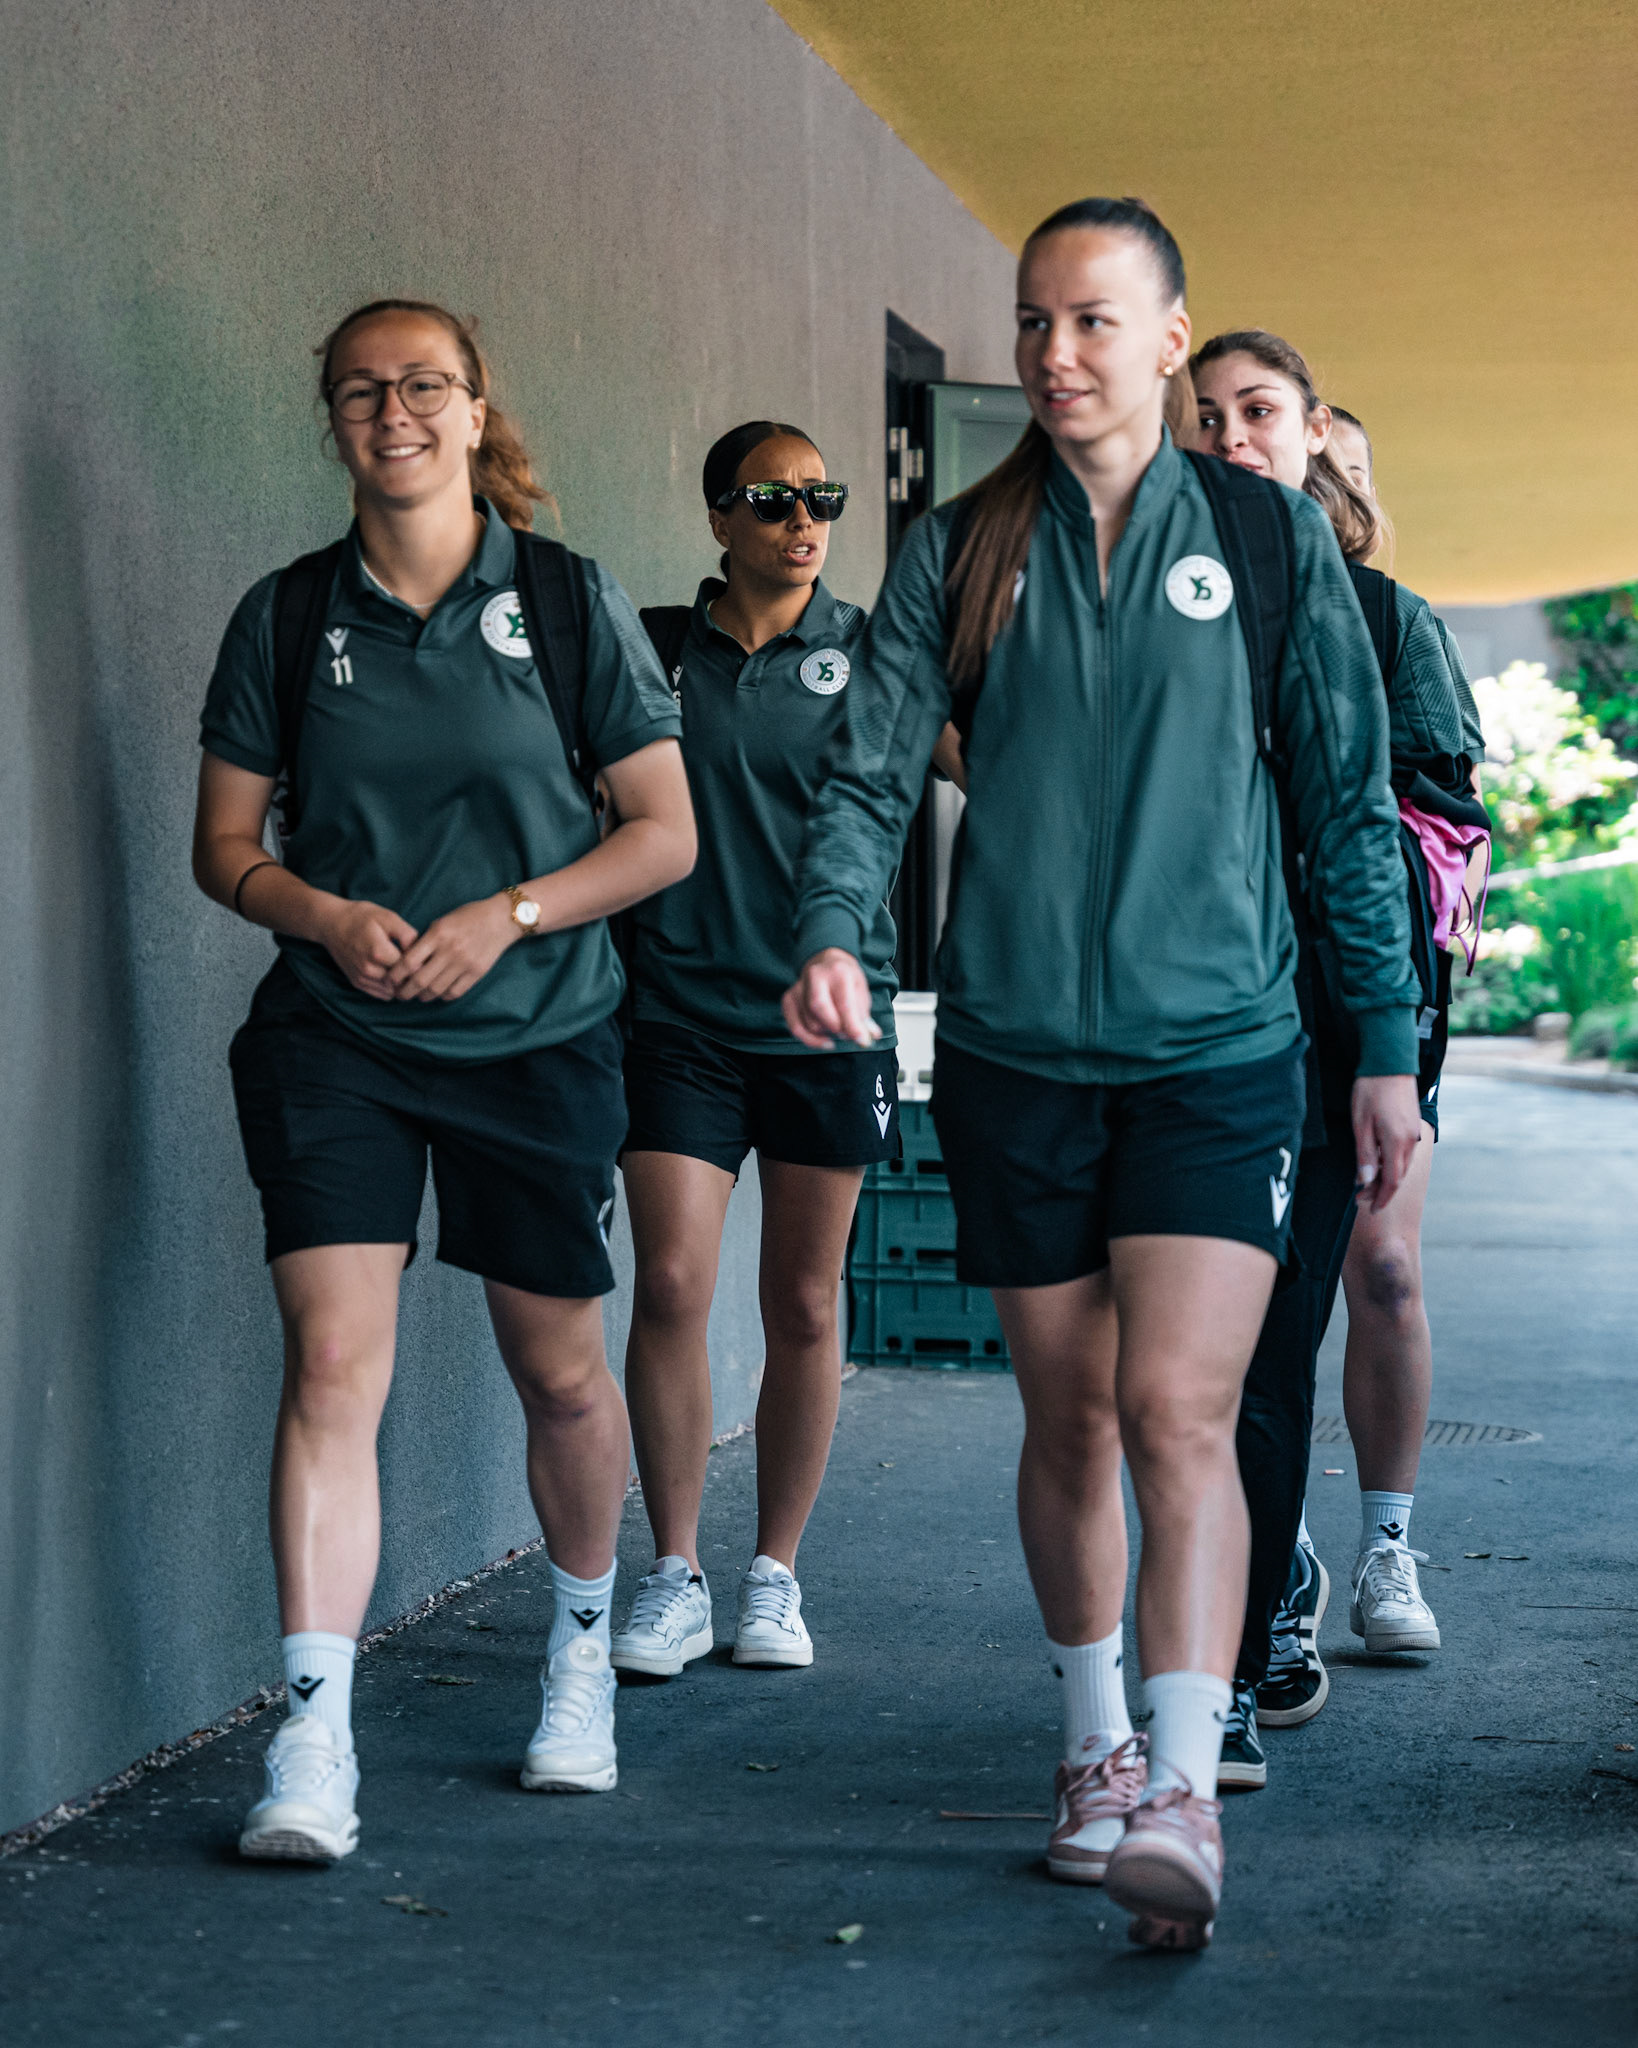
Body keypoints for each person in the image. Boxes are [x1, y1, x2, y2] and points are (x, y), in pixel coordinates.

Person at [783, 200, 1420, 1951]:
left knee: (1178, 1412)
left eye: (1090, 320)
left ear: (1165, 336)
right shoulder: (960, 548)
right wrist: (838, 927)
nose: (1052, 351)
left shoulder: (1268, 544)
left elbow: (1347, 813)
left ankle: (1184, 1788)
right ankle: (1092, 1747)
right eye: (1029, 320)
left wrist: (1380, 1050)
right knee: (1065, 1411)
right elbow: (863, 769)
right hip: (1012, 1055)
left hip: (1220, 1052)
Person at [192, 298, 695, 1862]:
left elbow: (661, 832)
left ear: (477, 410)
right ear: (332, 419)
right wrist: (326, 914)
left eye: (423, 386)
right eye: (359, 390)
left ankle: (578, 1657)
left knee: (559, 1371)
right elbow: (224, 852)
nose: (390, 411)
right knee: (334, 1368)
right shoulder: (286, 616)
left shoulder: (562, 600)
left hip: (536, 1036)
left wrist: (509, 914)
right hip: (337, 1036)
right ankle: (315, 1738)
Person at [1192, 335, 1486, 1791]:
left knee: (1288, 1334)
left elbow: (1435, 844)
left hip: (1333, 1031)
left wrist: (1395, 1051)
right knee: (1173, 1365)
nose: (1233, 438)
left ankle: (1259, 1641)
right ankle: (1249, 1601)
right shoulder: (1149, 606)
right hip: (1171, 1028)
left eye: (1258, 413)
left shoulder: (1381, 616)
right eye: (1209, 417)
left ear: (1309, 433)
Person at [609, 422, 898, 1678]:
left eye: (819, 496)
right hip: (675, 1010)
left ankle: (774, 1572)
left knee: (803, 1297)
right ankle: (672, 1570)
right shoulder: (654, 647)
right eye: (772, 498)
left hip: (825, 1014)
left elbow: (981, 762)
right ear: (720, 515)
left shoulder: (875, 649)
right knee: (672, 1280)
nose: (802, 517)